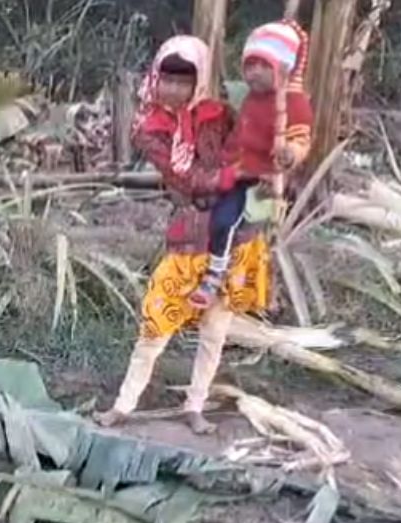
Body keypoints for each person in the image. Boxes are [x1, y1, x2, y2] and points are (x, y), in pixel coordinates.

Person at [94, 34, 269, 435]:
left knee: (215, 330)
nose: (172, 89)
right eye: (166, 80)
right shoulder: (149, 127)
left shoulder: (220, 113)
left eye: (183, 81)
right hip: (188, 234)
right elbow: (184, 179)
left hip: (232, 235)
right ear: (155, 78)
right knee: (156, 324)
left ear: (199, 80)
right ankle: (123, 405)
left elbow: (245, 150)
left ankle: (195, 406)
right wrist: (231, 176)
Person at [189, 19, 313, 309]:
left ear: (283, 67)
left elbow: (302, 138)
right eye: (249, 65)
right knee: (212, 218)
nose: (253, 72)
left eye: (263, 65)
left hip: (261, 180)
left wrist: (291, 153)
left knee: (241, 227)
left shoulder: (294, 103)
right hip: (235, 172)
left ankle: (232, 281)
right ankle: (210, 271)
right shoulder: (252, 100)